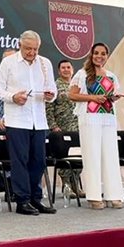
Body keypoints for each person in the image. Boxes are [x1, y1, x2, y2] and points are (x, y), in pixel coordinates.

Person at [0, 30, 57, 216]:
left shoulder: (45, 63)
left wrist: (50, 96)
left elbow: (52, 89)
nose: (32, 53)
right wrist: (13, 97)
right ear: (20, 45)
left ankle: (36, 199)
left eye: (35, 49)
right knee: (20, 161)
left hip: (39, 120)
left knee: (38, 161)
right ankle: (22, 200)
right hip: (17, 119)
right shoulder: (9, 62)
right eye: (28, 49)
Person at [69, 42, 124, 210]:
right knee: (92, 156)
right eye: (96, 53)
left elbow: (113, 95)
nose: (99, 56)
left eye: (103, 53)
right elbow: (72, 95)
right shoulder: (82, 73)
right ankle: (93, 196)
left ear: (107, 56)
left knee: (111, 156)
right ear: (91, 55)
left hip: (107, 118)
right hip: (89, 118)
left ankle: (113, 194)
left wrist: (114, 98)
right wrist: (92, 98)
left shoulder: (112, 76)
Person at [46, 59, 82, 198]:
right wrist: (53, 126)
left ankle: (76, 186)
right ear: (59, 71)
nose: (66, 70)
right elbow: (48, 108)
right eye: (63, 68)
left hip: (78, 127)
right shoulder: (55, 86)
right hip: (62, 128)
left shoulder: (77, 86)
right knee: (65, 156)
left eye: (68, 67)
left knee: (78, 156)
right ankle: (66, 186)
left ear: (72, 70)